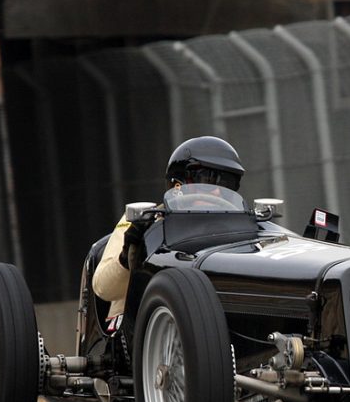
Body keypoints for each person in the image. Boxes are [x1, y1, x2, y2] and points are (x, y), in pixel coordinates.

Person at [92, 136, 246, 325]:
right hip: (143, 325)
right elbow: (103, 288)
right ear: (178, 184)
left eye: (224, 184)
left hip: (213, 323)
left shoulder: (240, 230)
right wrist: (127, 255)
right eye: (208, 180)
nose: (215, 191)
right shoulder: (143, 218)